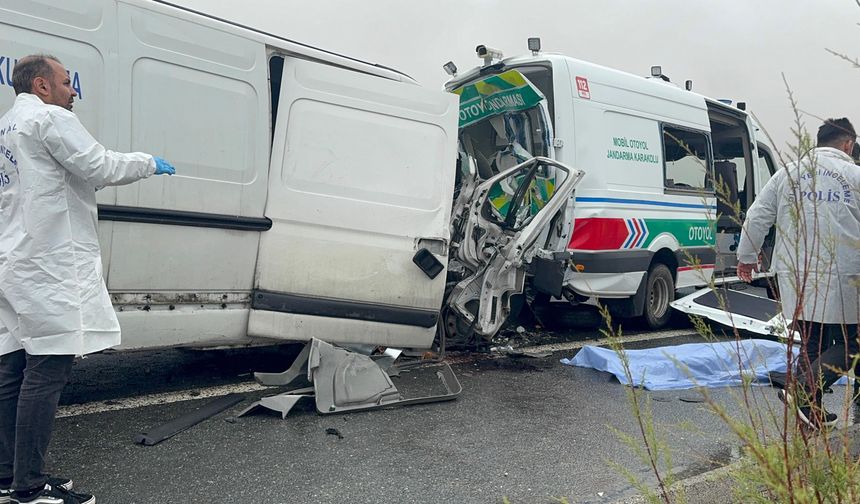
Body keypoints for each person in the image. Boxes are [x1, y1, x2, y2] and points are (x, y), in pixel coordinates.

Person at [0, 55, 175, 504]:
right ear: (41, 85)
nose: (72, 90)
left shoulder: (6, 126)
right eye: (65, 82)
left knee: (13, 369)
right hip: (48, 263)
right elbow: (99, 166)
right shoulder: (50, 119)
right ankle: (29, 489)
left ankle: (10, 476)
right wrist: (147, 162)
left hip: (15, 259)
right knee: (46, 369)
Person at [737, 118, 860, 429]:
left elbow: (757, 215)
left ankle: (810, 410)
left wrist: (746, 257)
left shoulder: (787, 174)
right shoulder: (855, 176)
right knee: (854, 343)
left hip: (794, 274)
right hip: (842, 273)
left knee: (812, 341)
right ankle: (803, 389)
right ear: (847, 143)